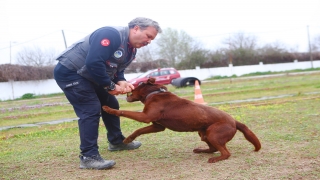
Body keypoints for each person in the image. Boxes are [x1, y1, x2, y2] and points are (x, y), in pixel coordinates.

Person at [53, 17, 162, 170]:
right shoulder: (111, 34)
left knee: (110, 103)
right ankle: (88, 157)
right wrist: (109, 85)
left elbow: (118, 68)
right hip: (71, 72)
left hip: (90, 76)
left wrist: (121, 81)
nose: (149, 41)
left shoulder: (131, 49)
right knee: (90, 109)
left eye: (152, 39)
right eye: (148, 36)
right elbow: (94, 62)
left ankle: (116, 142)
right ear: (136, 28)